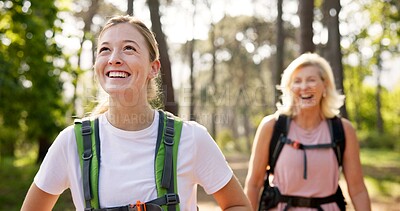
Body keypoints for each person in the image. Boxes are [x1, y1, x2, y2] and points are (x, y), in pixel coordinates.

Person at [21, 15, 251, 211]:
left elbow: (237, 205)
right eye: (105, 50)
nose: (114, 59)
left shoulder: (191, 138)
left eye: (129, 48)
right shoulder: (71, 142)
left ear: (154, 68)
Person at [244, 53, 371, 211]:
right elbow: (254, 185)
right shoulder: (271, 127)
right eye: (297, 81)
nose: (304, 87)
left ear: (325, 85)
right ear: (290, 88)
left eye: (311, 80)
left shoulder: (343, 130)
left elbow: (358, 189)